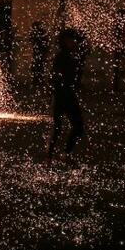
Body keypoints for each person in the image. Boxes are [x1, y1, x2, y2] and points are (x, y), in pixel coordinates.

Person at [47, 28, 85, 160]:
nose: (74, 42)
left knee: (75, 126)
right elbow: (57, 76)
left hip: (66, 94)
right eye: (71, 40)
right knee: (60, 127)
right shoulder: (63, 56)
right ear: (65, 41)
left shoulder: (71, 55)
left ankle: (62, 153)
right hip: (62, 95)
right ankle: (53, 154)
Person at [29, 21, 50, 88]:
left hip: (40, 52)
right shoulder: (39, 33)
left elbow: (45, 43)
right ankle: (37, 80)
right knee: (37, 66)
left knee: (39, 66)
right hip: (38, 52)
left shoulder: (41, 33)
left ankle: (38, 80)